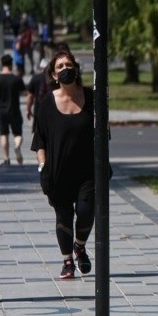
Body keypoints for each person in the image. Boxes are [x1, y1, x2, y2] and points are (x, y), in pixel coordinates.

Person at [30, 49, 95, 280]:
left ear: (76, 69)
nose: (65, 69)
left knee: (87, 212)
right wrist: (42, 167)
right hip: (58, 172)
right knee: (64, 217)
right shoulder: (47, 103)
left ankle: (80, 246)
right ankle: (68, 261)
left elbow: (103, 134)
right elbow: (39, 141)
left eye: (69, 65)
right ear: (54, 75)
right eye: (60, 67)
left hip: (88, 172)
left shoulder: (92, 98)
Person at [0, 54, 26, 166]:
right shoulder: (16, 79)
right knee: (17, 134)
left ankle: (6, 159)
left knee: (4, 134)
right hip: (14, 110)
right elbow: (25, 92)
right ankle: (17, 146)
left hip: (1, 111)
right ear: (11, 64)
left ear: (2, 64)